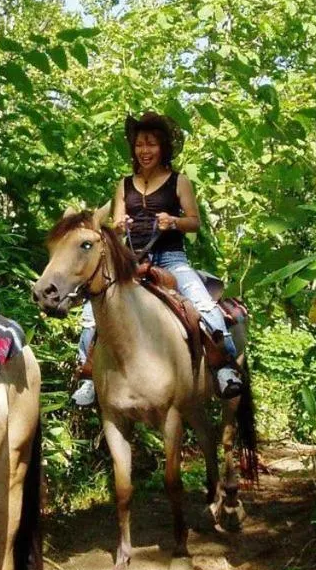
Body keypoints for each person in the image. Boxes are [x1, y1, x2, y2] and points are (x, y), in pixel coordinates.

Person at [71, 110, 242, 406]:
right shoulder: (124, 183)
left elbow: (194, 221)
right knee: (90, 314)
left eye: (150, 144)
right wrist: (119, 225)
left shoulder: (179, 181)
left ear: (162, 146)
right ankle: (88, 377)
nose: (144, 150)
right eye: (139, 144)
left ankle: (225, 367)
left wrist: (173, 222)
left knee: (202, 303)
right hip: (130, 259)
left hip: (171, 258)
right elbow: (116, 220)